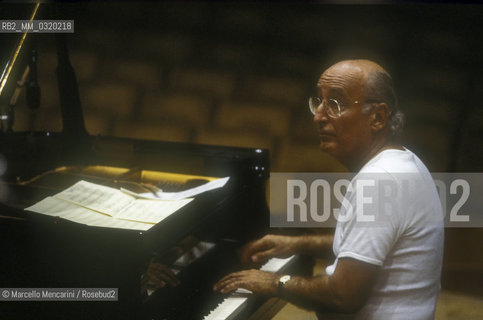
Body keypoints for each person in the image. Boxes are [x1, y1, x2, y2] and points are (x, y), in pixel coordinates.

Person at [213, 59, 444, 319]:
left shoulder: (380, 181)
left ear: (378, 117)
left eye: (335, 104)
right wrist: (296, 243)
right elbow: (366, 246)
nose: (318, 116)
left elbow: (343, 296)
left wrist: (274, 282)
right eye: (319, 102)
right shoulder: (404, 162)